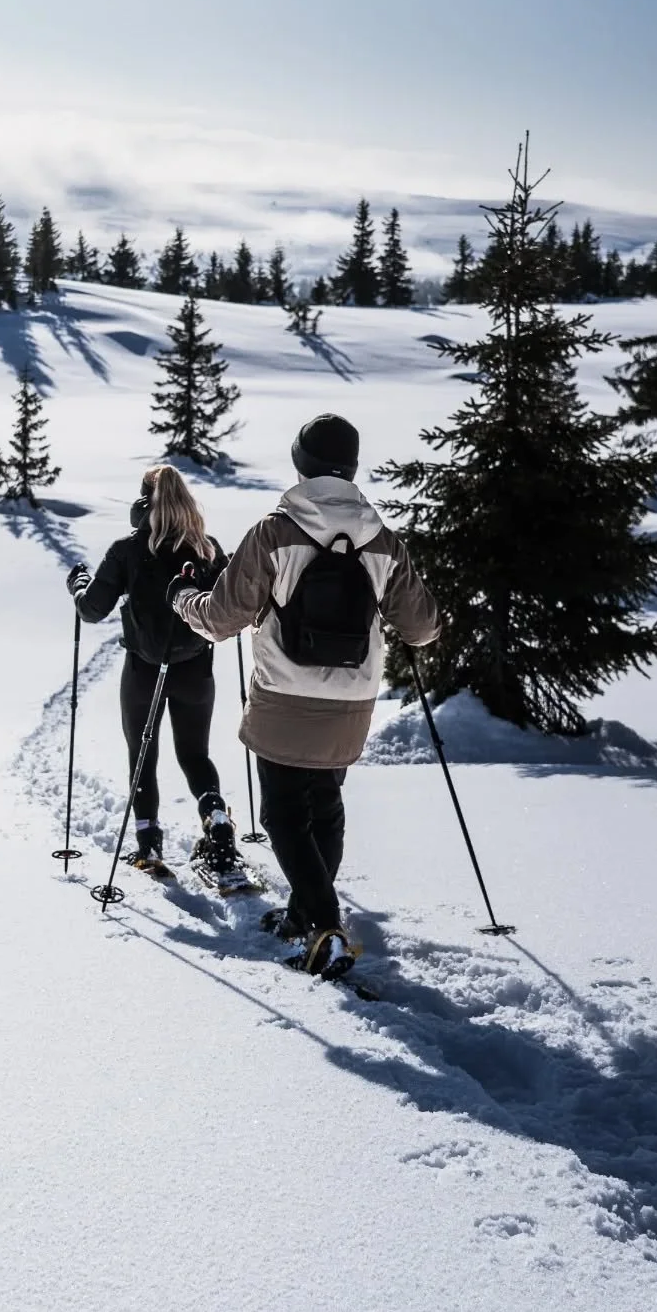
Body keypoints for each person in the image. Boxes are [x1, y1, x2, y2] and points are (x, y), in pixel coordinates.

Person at [167, 413, 440, 980]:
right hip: (353, 697)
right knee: (325, 806)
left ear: (302, 464)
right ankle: (301, 916)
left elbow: (221, 619)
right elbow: (422, 628)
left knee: (282, 812)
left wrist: (182, 598)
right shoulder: (383, 540)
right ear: (352, 466)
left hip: (284, 692)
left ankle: (324, 924)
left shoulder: (275, 530)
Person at [66, 465, 245, 883]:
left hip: (144, 670)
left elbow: (92, 609)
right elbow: (227, 608)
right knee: (195, 754)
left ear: (143, 502)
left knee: (142, 753)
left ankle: (148, 842)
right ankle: (216, 817)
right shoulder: (206, 548)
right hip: (196, 668)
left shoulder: (128, 550)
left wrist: (78, 584)